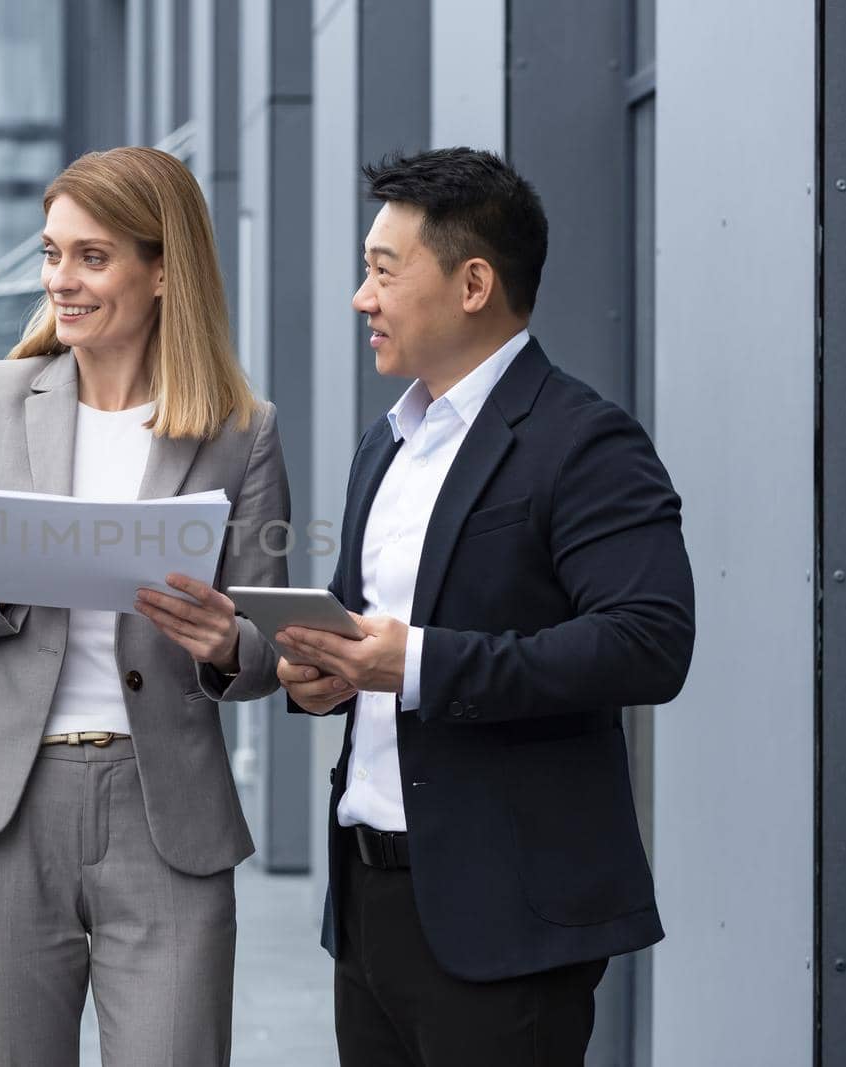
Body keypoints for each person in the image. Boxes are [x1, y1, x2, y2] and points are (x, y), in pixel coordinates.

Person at [275, 148, 695, 1066]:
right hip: (370, 905)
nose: (362, 297)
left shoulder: (585, 440)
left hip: (506, 920)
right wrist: (323, 676)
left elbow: (648, 642)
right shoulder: (385, 445)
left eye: (384, 271)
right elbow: (367, 633)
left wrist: (414, 664)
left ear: (473, 282)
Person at [0, 146, 289, 1066]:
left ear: (163, 270)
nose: (61, 280)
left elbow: (274, 643)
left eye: (92, 257)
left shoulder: (241, 431)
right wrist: (2, 581)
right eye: (52, 253)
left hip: (167, 813)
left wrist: (229, 643)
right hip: (2, 807)